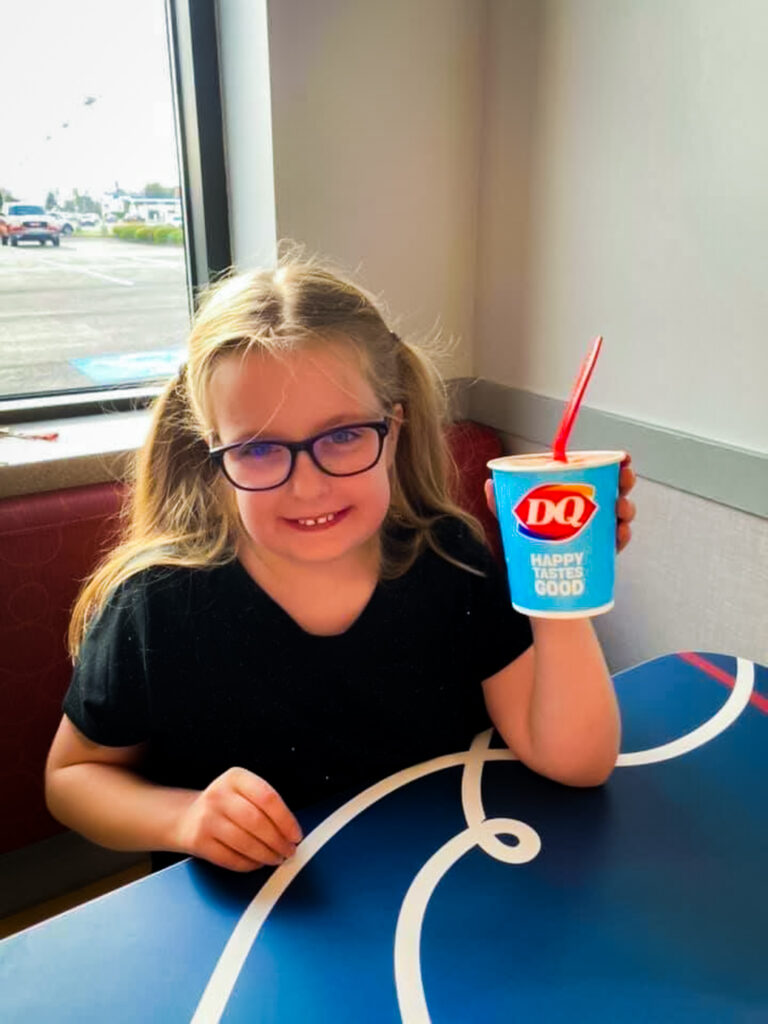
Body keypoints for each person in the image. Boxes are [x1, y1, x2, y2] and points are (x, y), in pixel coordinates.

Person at [45, 254, 637, 874]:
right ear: (213, 452)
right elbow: (72, 777)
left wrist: (553, 571)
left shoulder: (450, 562)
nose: (308, 486)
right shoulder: (157, 603)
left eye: (344, 436)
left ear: (395, 429)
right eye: (260, 449)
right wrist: (184, 818)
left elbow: (577, 761)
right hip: (255, 925)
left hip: (442, 890)